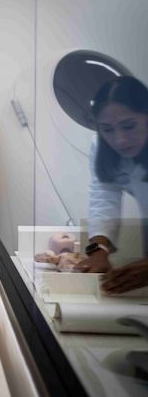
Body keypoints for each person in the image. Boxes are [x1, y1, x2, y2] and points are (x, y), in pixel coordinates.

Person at [75, 76, 148, 294]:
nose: (120, 139)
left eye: (128, 126)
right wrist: (98, 251)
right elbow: (104, 194)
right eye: (107, 129)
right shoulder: (101, 146)